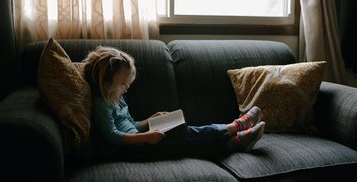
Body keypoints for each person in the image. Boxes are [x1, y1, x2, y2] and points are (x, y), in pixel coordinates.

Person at [83, 46, 265, 159]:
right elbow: (113, 136)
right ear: (105, 83)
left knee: (184, 140)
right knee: (182, 135)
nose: (127, 88)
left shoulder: (117, 99)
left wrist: (149, 121)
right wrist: (146, 137)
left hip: (140, 143)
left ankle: (234, 142)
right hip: (132, 151)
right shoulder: (101, 105)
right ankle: (235, 127)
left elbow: (131, 125)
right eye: (123, 84)